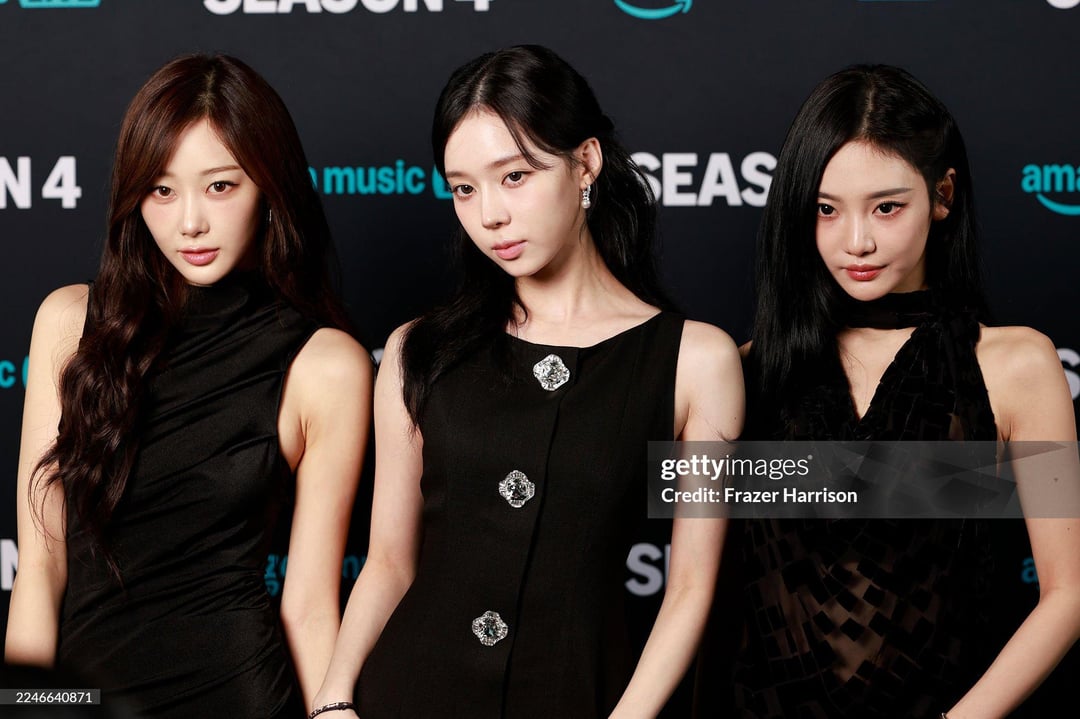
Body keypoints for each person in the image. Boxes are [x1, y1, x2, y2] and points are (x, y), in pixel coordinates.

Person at [310, 44, 743, 719]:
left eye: (514, 176)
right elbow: (390, 560)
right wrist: (333, 700)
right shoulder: (418, 350)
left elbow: (690, 588)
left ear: (586, 163)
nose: (489, 214)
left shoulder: (695, 360)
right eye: (464, 188)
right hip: (407, 694)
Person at [4, 53, 373, 718]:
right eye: (161, 190)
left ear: (269, 185)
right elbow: (40, 566)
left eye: (221, 186)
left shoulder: (327, 365)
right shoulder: (68, 323)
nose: (190, 222)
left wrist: (333, 710)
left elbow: (311, 604)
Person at [733, 64, 1080, 718]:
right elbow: (700, 589)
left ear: (942, 195)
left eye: (886, 207)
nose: (856, 241)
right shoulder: (746, 371)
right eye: (826, 209)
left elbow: (1069, 592)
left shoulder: (1018, 365)